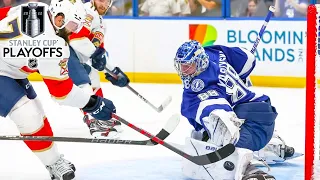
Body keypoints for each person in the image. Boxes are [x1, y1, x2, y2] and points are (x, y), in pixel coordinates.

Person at [0, 0, 117, 179]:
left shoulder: (37, 7)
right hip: (4, 70)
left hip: (10, 70)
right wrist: (93, 103)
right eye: (71, 25)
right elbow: (62, 93)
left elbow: (4, 15)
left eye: (75, 26)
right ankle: (53, 162)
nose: (72, 30)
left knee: (35, 109)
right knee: (27, 114)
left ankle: (53, 161)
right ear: (59, 18)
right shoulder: (53, 44)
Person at [173, 40, 279, 179]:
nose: (184, 71)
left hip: (254, 127)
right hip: (262, 110)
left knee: (220, 132)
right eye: (181, 66)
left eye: (188, 66)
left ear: (199, 62)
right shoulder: (214, 53)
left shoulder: (201, 86)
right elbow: (248, 59)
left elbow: (219, 115)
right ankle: (273, 143)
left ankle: (249, 169)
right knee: (206, 132)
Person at [66, 0, 129, 138]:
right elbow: (76, 39)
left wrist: (114, 72)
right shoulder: (86, 12)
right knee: (84, 81)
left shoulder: (100, 23)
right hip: (62, 54)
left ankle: (99, 115)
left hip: (72, 56)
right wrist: (96, 55)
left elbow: (99, 52)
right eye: (101, 0)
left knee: (92, 75)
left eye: (107, 1)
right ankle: (94, 119)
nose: (104, 4)